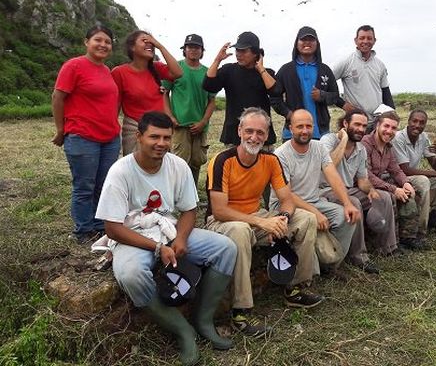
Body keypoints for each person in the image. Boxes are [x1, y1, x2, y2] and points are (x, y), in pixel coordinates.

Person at [95, 112, 237, 365]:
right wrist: (158, 247)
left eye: (166, 138)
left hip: (167, 229)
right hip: (133, 236)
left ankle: (203, 320)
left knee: (225, 248)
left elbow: (189, 210)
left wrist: (181, 239)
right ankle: (183, 330)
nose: (161, 143)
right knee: (131, 275)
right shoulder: (121, 171)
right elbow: (112, 228)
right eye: (154, 137)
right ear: (138, 137)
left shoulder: (177, 165)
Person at [205, 107, 323, 337]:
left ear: (268, 134)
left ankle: (295, 288)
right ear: (239, 130)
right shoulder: (221, 161)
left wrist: (282, 219)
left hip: (256, 215)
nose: (254, 137)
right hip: (223, 221)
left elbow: (287, 200)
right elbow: (219, 210)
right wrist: (262, 224)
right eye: (249, 131)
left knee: (306, 218)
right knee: (240, 231)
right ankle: (240, 311)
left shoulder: (270, 159)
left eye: (260, 132)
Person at [51, 25, 122, 244]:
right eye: (98, 40)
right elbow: (58, 97)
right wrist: (61, 129)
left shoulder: (106, 71)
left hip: (109, 137)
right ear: (86, 42)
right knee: (84, 186)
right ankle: (83, 230)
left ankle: (100, 226)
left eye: (107, 42)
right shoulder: (74, 66)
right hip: (82, 136)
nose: (103, 45)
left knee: (104, 185)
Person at [269, 109, 361, 276]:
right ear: (290, 129)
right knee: (310, 219)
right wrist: (315, 212)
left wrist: (347, 203)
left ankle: (332, 264)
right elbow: (287, 194)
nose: (305, 131)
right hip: (285, 204)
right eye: (300, 126)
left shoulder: (318, 148)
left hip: (313, 200)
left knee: (346, 217)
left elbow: (332, 176)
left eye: (309, 126)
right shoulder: (280, 155)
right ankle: (310, 270)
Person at [319, 109, 398, 274]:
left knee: (383, 197)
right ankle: (358, 256)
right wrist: (344, 140)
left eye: (363, 126)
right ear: (345, 124)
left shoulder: (360, 149)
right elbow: (328, 166)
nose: (361, 129)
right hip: (325, 190)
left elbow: (362, 180)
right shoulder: (328, 140)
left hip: (349, 189)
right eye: (357, 124)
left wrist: (371, 190)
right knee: (353, 203)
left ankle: (387, 247)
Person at [362, 111, 429, 250]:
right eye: (386, 126)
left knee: (408, 194)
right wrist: (393, 189)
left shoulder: (388, 146)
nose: (389, 131)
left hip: (380, 183)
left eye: (393, 128)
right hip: (364, 185)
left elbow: (396, 169)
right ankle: (390, 244)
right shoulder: (366, 144)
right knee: (391, 197)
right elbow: (366, 175)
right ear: (377, 125)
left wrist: (406, 183)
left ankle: (408, 237)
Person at [203, 31, 281, 149]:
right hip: (234, 137)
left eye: (243, 51)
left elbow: (276, 91)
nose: (238, 54)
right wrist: (217, 60)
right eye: (237, 50)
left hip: (261, 137)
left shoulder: (266, 73)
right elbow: (208, 85)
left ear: (256, 53)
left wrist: (260, 68)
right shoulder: (228, 70)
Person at [112, 30, 182, 155]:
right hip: (135, 129)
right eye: (144, 41)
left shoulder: (156, 68)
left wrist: (160, 46)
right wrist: (112, 130)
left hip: (160, 127)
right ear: (132, 47)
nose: (150, 44)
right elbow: (115, 105)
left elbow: (178, 73)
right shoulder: (119, 72)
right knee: (135, 169)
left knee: (161, 169)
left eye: (151, 42)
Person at [270, 26, 348, 141]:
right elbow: (274, 97)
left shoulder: (325, 70)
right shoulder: (286, 70)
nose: (307, 43)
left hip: (321, 133)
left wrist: (322, 95)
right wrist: (289, 114)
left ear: (317, 44)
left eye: (311, 40)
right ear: (297, 43)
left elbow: (335, 96)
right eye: (303, 40)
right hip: (292, 134)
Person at [392, 109, 436, 236]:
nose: (417, 125)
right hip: (400, 178)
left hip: (414, 177)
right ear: (408, 121)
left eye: (422, 122)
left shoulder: (423, 137)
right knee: (423, 181)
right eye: (414, 121)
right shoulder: (398, 138)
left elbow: (435, 166)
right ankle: (421, 228)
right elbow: (405, 170)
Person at [163, 33, 215, 186]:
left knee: (197, 162)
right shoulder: (175, 68)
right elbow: (164, 94)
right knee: (179, 163)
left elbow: (211, 100)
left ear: (202, 51)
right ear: (184, 50)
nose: (193, 50)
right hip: (179, 126)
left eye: (197, 47)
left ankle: (192, 195)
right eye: (190, 47)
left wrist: (203, 122)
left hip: (200, 127)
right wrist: (170, 117)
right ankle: (177, 195)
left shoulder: (208, 72)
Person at [332, 25, 395, 125]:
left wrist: (393, 117)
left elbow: (386, 92)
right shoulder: (346, 62)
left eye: (369, 38)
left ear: (374, 41)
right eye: (362, 38)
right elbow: (326, 84)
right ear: (355, 40)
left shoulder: (380, 65)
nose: (365, 41)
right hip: (356, 122)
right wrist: (343, 104)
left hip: (377, 122)